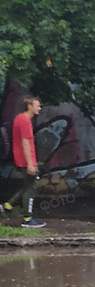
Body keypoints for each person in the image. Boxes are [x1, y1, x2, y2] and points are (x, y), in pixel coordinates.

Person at [3, 95, 45, 228]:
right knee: (31, 188)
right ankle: (27, 218)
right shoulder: (25, 121)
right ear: (29, 107)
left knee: (28, 185)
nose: (40, 108)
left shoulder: (19, 118)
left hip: (21, 159)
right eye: (37, 106)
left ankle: (8, 206)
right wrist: (31, 164)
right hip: (26, 160)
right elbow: (25, 143)